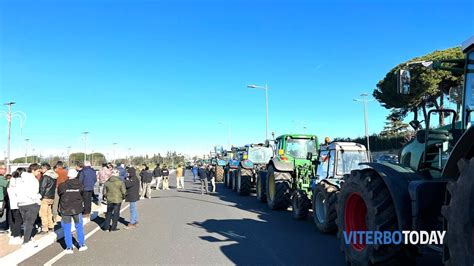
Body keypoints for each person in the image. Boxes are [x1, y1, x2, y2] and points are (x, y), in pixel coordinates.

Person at [58, 169, 88, 254]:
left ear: (68, 175)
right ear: (76, 175)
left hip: (65, 209)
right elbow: (83, 194)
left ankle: (69, 247)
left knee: (67, 228)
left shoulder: (62, 185)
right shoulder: (80, 185)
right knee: (79, 227)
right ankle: (82, 245)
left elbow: (59, 193)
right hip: (77, 208)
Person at [17, 163, 42, 248]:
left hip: (21, 203)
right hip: (31, 203)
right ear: (33, 170)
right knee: (29, 223)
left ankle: (28, 237)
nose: (39, 173)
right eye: (38, 171)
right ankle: (26, 242)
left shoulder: (20, 179)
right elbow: (32, 193)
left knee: (25, 222)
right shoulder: (33, 180)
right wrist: (38, 199)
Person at [38, 163, 57, 234]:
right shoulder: (54, 176)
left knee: (43, 214)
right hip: (51, 197)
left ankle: (45, 228)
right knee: (49, 212)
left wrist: (40, 196)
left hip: (45, 197)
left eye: (42, 168)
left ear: (45, 168)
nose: (41, 170)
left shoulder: (45, 176)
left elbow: (43, 187)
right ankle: (51, 226)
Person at [7, 168, 24, 244]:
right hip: (19, 203)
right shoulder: (20, 182)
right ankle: (16, 236)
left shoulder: (11, 181)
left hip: (12, 203)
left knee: (14, 219)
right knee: (19, 220)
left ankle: (13, 233)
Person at [0, 165, 9, 233]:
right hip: (0, 198)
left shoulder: (3, 178)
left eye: (5, 169)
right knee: (0, 212)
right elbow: (8, 184)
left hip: (2, 198)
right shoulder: (1, 178)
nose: (4, 170)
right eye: (2, 169)